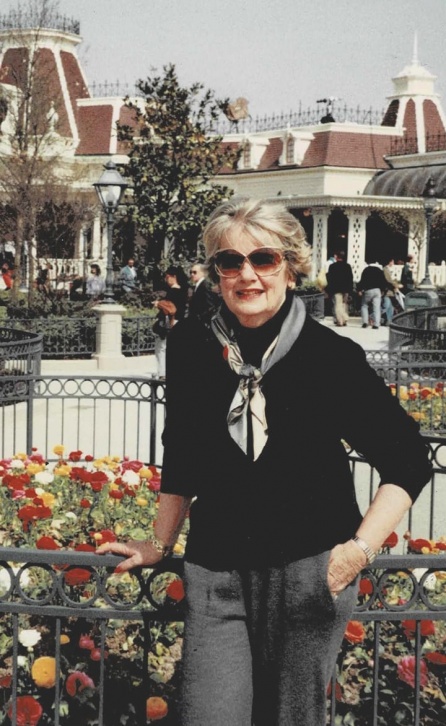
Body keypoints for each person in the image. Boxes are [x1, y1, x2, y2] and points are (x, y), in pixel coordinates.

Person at [98, 198, 432, 726]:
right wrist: (159, 542)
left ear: (291, 268)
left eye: (264, 259)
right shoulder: (190, 346)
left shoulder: (330, 357)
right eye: (230, 262)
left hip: (307, 571)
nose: (246, 275)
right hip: (216, 571)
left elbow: (409, 460)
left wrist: (356, 553)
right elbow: (182, 450)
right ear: (215, 274)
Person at [152, 266, 188, 377]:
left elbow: (170, 309)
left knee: (161, 348)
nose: (166, 279)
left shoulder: (173, 291)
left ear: (174, 277)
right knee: (175, 349)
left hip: (169, 323)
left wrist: (159, 304)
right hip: (179, 322)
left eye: (167, 277)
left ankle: (162, 372)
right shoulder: (183, 290)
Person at [326, 250, 353, 326]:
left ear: (336, 257)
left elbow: (330, 279)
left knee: (338, 305)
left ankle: (341, 320)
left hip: (336, 288)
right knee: (344, 304)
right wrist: (350, 289)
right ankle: (344, 320)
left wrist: (329, 289)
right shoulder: (348, 266)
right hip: (346, 288)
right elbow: (350, 278)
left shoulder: (332, 266)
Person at [357, 260, 387, 329]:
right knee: (376, 308)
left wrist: (359, 290)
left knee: (364, 305)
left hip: (368, 290)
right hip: (377, 290)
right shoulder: (379, 270)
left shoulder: (366, 270)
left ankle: (365, 322)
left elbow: (362, 281)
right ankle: (376, 324)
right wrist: (383, 290)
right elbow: (383, 281)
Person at [382, 258, 401, 325]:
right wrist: (396, 285)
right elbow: (389, 280)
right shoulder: (385, 269)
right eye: (392, 261)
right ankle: (373, 316)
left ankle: (389, 321)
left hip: (390, 291)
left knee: (390, 307)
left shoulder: (388, 270)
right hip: (387, 291)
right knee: (386, 306)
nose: (393, 263)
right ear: (390, 262)